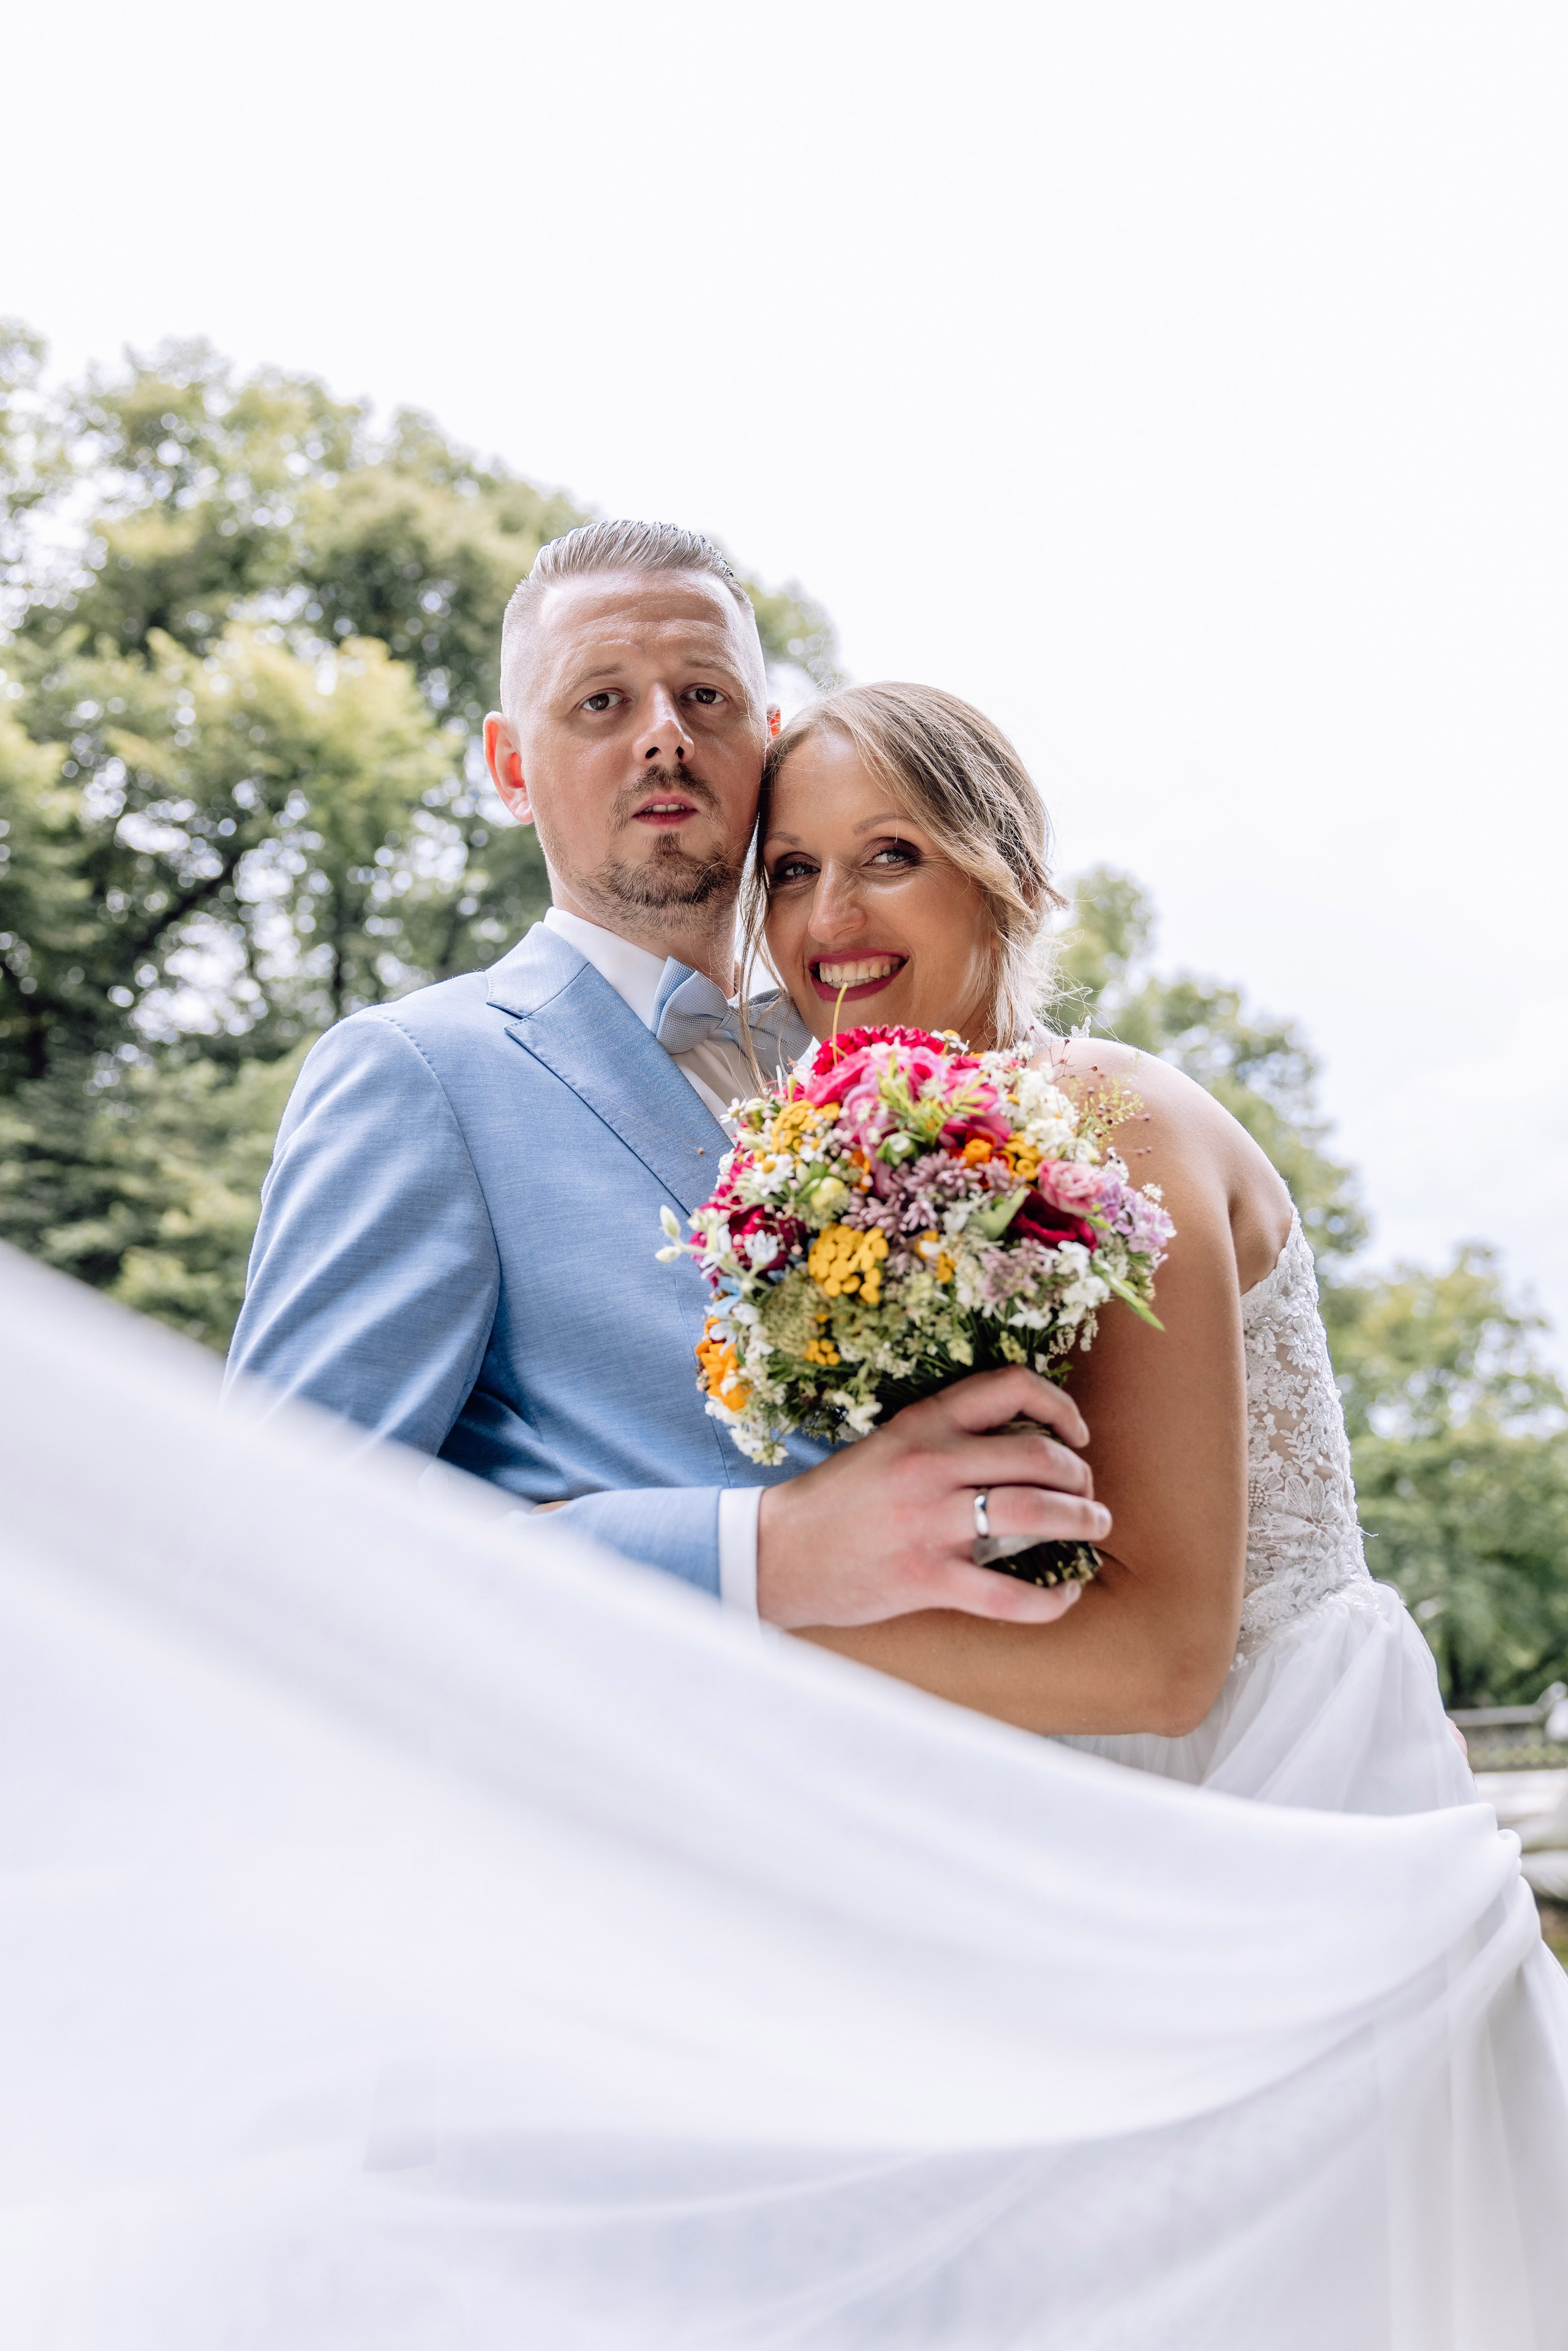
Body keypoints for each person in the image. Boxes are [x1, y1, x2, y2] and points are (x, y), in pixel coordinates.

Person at [227, 523, 1099, 1640]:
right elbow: (275, 1537)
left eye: (705, 696)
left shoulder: (892, 1066)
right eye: (601, 702)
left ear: (766, 743)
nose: (664, 736)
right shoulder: (417, 1074)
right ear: (510, 768)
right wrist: (764, 1552)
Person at [750, 681, 1480, 1814]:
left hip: (1256, 1775)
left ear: (1004, 880)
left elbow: (1166, 1660)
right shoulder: (856, 1167)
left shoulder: (1107, 1119)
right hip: (1020, 1777)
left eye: (890, 855)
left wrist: (721, 1618)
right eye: (792, 869)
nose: (828, 915)